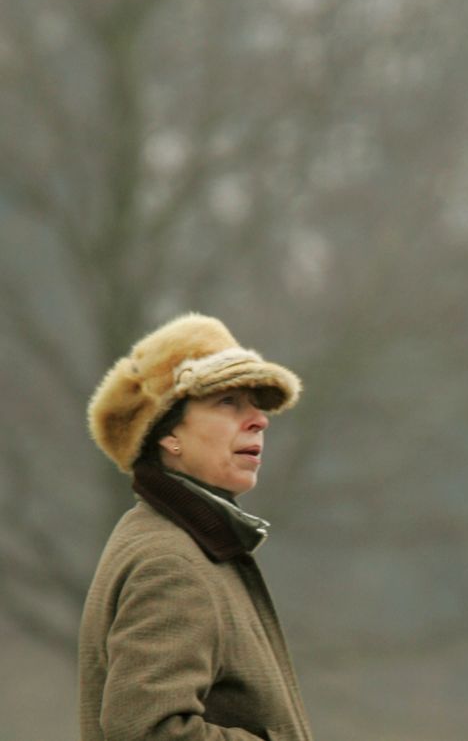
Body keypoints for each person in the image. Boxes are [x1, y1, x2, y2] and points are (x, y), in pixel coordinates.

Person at [79, 312, 314, 740]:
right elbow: (147, 732)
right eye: (228, 402)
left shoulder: (186, 544)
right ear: (167, 433)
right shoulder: (171, 563)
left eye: (256, 404)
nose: (259, 420)